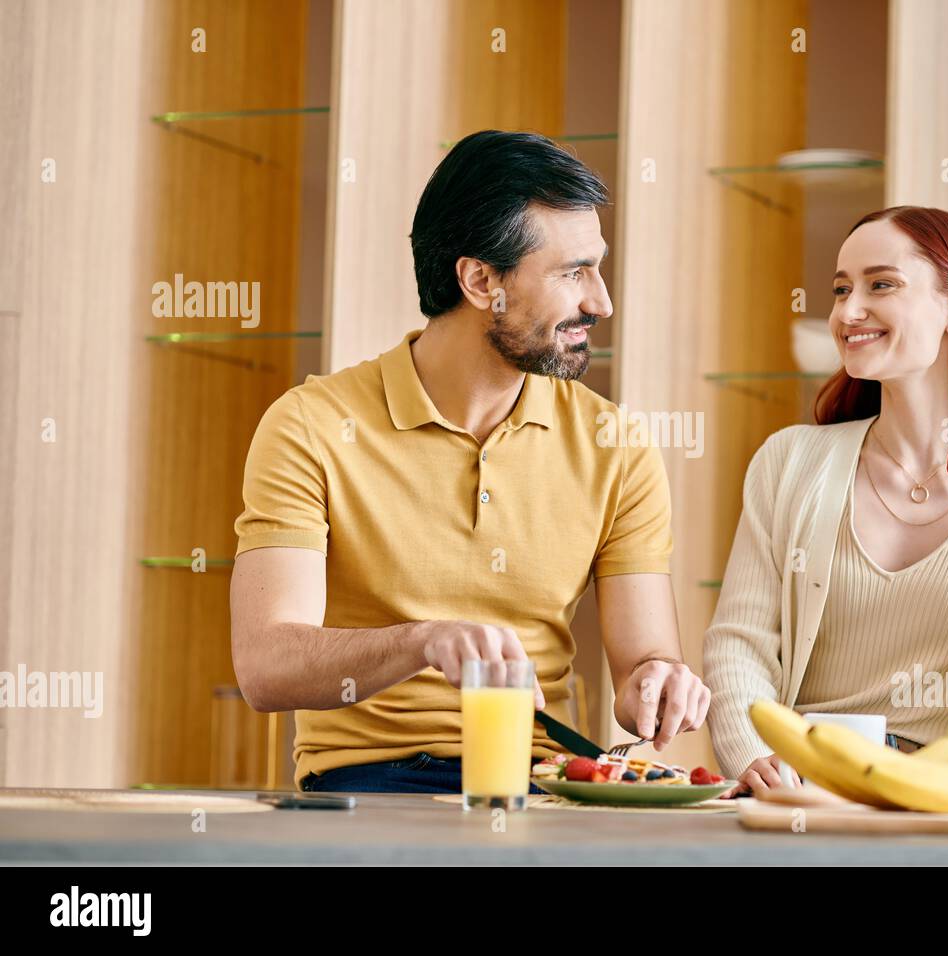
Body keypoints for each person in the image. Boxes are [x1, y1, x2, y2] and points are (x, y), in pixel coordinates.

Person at [231, 130, 709, 793]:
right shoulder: (310, 426)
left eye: (597, 268)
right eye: (574, 272)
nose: (600, 302)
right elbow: (265, 666)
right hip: (371, 782)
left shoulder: (616, 445)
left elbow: (640, 670)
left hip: (545, 780)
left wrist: (659, 681)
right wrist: (420, 641)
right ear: (481, 279)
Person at [704, 206, 948, 796]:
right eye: (841, 289)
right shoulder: (789, 463)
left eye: (880, 285)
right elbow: (739, 642)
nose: (847, 311)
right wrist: (754, 756)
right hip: (809, 795)